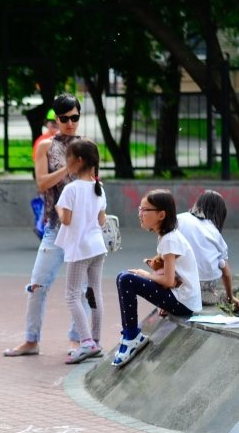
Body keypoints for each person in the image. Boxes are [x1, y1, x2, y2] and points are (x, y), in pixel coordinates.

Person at [4, 93, 85, 357]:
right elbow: (42, 184)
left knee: (80, 288)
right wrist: (68, 169)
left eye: (75, 117)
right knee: (37, 284)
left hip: (81, 227)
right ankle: (31, 339)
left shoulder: (87, 146)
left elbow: (93, 184)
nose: (70, 123)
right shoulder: (46, 146)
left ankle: (76, 340)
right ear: (57, 118)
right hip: (54, 225)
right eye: (65, 118)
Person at [113, 189, 201, 367]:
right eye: (140, 208)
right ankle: (130, 335)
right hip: (180, 299)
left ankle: (131, 337)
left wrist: (146, 274)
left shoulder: (170, 239)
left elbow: (168, 281)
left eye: (145, 210)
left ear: (161, 214)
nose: (140, 214)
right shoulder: (166, 237)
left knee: (126, 279)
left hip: (184, 303)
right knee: (123, 277)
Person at [54, 140, 107, 365]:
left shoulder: (71, 189)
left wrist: (58, 208)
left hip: (79, 248)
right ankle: (95, 339)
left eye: (68, 159)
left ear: (78, 161)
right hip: (97, 247)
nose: (67, 164)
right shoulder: (99, 188)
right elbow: (102, 220)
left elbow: (65, 220)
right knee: (95, 292)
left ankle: (86, 342)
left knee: (72, 295)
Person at [177, 190, 237, 309]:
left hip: (181, 285)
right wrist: (230, 297)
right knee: (222, 262)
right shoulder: (213, 231)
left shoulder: (179, 219)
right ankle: (227, 297)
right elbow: (225, 270)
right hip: (206, 290)